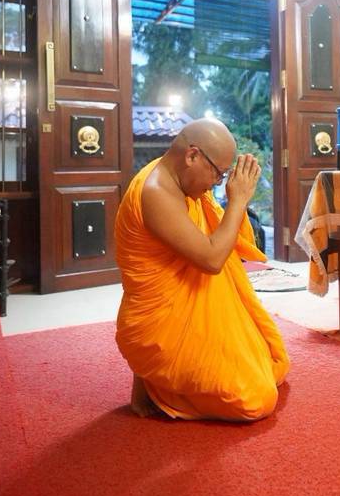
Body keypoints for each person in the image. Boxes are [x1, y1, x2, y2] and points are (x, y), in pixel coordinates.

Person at [115, 117, 289, 421]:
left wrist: (233, 200)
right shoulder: (156, 192)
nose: (218, 184)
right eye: (218, 173)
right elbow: (211, 260)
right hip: (163, 325)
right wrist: (238, 201)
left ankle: (157, 379)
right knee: (255, 400)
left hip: (190, 306)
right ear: (192, 155)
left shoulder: (179, 180)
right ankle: (158, 384)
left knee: (273, 360)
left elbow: (221, 238)